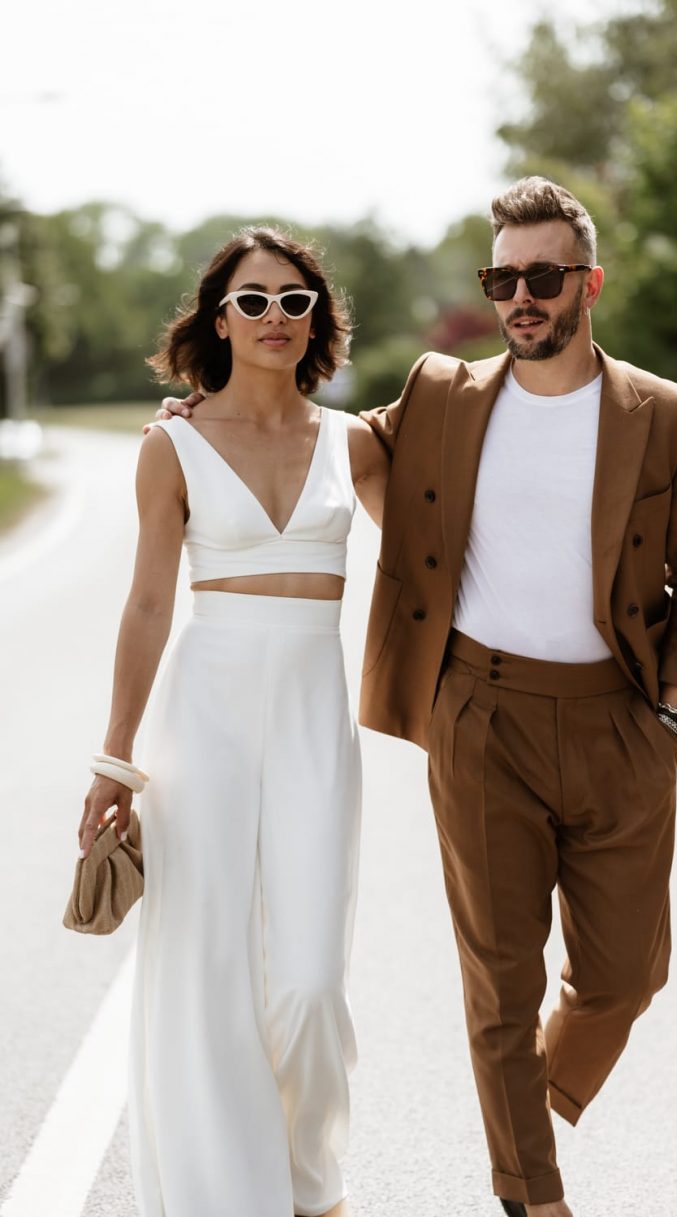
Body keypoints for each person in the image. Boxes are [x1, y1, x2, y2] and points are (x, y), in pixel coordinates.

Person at [163, 176, 677, 1217]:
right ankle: (531, 1194)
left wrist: (675, 711)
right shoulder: (441, 394)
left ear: (587, 282)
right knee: (501, 988)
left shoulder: (668, 416)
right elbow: (320, 441)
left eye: (543, 275)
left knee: (623, 976)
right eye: (502, 276)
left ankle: (533, 1101)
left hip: (621, 721)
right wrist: (209, 418)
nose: (521, 295)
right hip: (480, 714)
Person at [78, 226, 388, 1217]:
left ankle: (311, 1180)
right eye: (253, 301)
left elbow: (448, 526)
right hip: (200, 719)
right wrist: (114, 761)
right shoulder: (173, 444)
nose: (274, 319)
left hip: (312, 718)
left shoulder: (359, 442)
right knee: (207, 966)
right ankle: (228, 1194)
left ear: (317, 320)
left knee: (307, 979)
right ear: (220, 319)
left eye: (295, 301)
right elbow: (146, 608)